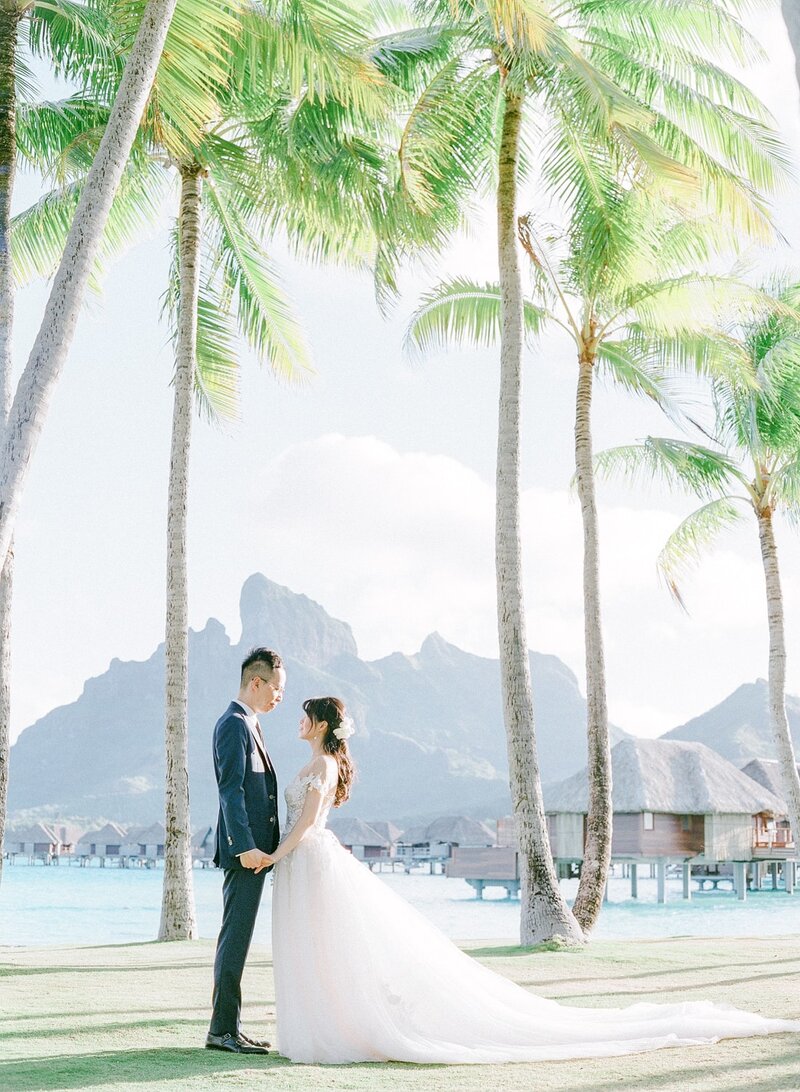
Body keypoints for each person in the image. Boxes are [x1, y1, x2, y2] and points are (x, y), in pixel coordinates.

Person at [265, 695, 800, 1065]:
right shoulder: (314, 762)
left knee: (334, 942)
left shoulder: (325, 767)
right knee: (320, 945)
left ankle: (340, 1027)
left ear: (321, 723)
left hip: (309, 857)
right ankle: (323, 1022)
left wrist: (274, 855)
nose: (300, 721)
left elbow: (309, 823)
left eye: (306, 715)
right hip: (303, 862)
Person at [206, 648, 286, 1055]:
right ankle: (221, 1032)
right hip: (246, 855)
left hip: (256, 854)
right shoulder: (233, 724)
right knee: (234, 940)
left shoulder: (250, 724)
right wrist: (246, 848)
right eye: (277, 688)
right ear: (256, 682)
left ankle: (230, 1027)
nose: (279, 697)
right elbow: (230, 792)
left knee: (238, 939)